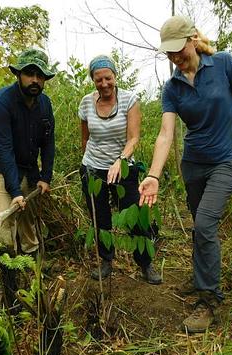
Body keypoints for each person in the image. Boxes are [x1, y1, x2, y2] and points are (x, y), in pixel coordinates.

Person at [139, 16, 232, 332]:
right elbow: (166, 134)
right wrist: (153, 174)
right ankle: (200, 278)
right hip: (193, 166)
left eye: (178, 50)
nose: (175, 58)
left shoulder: (223, 64)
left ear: (193, 39)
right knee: (200, 227)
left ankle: (209, 300)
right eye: (169, 54)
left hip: (226, 160)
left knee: (206, 224)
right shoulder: (172, 88)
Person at [79, 55, 162, 285]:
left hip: (123, 169)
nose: (104, 84)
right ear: (93, 80)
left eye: (108, 78)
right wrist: (88, 164)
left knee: (135, 216)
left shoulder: (129, 100)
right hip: (92, 169)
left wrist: (120, 160)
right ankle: (106, 260)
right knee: (100, 216)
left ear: (115, 76)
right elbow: (85, 139)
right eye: (98, 80)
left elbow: (134, 138)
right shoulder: (86, 102)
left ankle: (145, 263)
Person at [0, 48, 56, 256]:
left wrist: (45, 177)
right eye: (29, 74)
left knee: (28, 221)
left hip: (28, 166)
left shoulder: (45, 104)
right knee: (3, 219)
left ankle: (32, 263)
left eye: (39, 76)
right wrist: (15, 191)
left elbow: (48, 143)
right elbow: (3, 150)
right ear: (18, 74)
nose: (34, 80)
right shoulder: (0, 103)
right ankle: (2, 272)